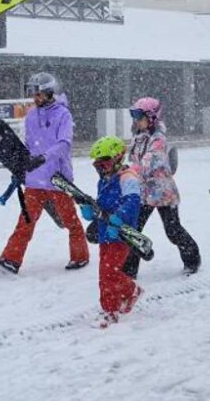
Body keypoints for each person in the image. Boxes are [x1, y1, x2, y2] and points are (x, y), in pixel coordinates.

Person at [0, 72, 89, 275]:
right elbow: (28, 145)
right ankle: (10, 260)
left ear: (50, 93)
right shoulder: (31, 115)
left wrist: (44, 158)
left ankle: (80, 256)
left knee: (70, 220)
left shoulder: (63, 115)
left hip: (56, 178)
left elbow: (64, 144)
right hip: (35, 179)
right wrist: (20, 166)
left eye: (39, 94)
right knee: (25, 221)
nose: (35, 98)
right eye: (33, 94)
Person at [124, 97, 201, 277]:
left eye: (139, 116)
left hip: (162, 192)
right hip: (143, 192)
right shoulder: (138, 137)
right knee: (134, 231)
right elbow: (133, 158)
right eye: (134, 116)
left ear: (151, 117)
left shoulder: (159, 139)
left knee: (173, 230)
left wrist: (129, 171)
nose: (136, 120)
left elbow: (148, 162)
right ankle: (128, 270)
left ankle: (192, 259)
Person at [78, 136, 144, 328]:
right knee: (105, 273)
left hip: (121, 234)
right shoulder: (104, 180)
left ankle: (110, 311)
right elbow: (103, 205)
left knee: (109, 273)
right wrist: (91, 211)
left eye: (104, 163)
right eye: (97, 165)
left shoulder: (127, 178)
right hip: (105, 233)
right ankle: (131, 290)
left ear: (117, 158)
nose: (101, 168)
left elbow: (132, 202)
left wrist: (118, 219)